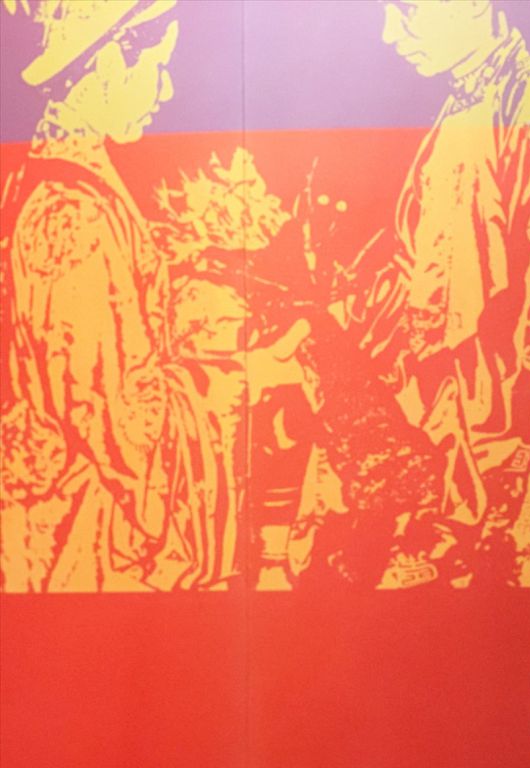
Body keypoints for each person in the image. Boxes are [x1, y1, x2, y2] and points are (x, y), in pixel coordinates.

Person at [296, 0, 530, 589]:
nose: (388, 34)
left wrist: (487, 474)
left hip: (497, 478)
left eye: (405, 10)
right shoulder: (463, 104)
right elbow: (427, 276)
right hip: (435, 456)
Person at [0, 0, 304, 591]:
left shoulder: (64, 185)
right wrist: (245, 375)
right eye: (156, 69)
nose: (164, 91)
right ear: (107, 61)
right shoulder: (74, 216)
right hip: (85, 535)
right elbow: (122, 426)